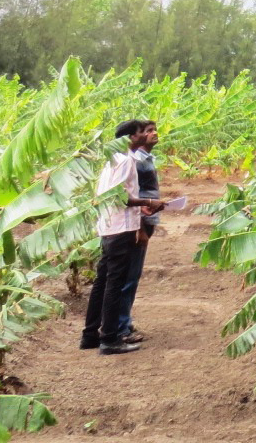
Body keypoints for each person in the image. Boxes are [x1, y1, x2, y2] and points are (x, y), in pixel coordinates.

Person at [80, 119, 167, 355]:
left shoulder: (111, 161)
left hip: (108, 226)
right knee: (114, 284)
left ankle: (90, 335)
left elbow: (110, 195)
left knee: (102, 283)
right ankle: (110, 339)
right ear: (130, 138)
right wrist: (148, 202)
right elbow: (119, 197)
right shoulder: (127, 160)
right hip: (120, 228)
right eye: (141, 132)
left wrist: (142, 207)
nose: (145, 135)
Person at [113, 119, 163, 343]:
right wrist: (141, 228)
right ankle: (121, 327)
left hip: (146, 220)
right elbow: (131, 197)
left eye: (153, 130)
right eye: (146, 131)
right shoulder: (132, 161)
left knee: (132, 275)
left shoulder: (146, 159)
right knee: (129, 276)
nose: (151, 134)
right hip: (136, 224)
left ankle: (124, 323)